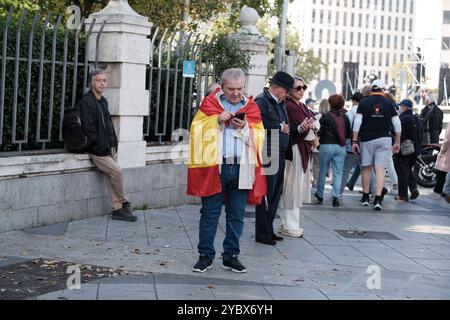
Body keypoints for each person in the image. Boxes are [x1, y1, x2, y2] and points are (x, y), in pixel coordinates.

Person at [187, 68, 266, 273]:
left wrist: (245, 128)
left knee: (237, 215)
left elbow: (261, 137)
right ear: (222, 86)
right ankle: (205, 255)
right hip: (216, 167)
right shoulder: (210, 104)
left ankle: (231, 256)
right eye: (231, 89)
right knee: (209, 213)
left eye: (240, 89)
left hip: (241, 167)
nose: (236, 93)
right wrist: (216, 121)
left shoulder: (251, 107)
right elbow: (195, 131)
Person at [79, 69, 137, 222]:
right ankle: (124, 201)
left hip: (108, 147)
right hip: (97, 150)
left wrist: (113, 144)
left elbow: (108, 125)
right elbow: (89, 128)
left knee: (111, 175)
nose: (102, 84)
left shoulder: (103, 101)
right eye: (99, 80)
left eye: (104, 81)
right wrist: (98, 146)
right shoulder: (86, 101)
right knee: (117, 172)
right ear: (92, 82)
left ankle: (117, 209)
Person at [254, 71, 295, 246]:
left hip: (278, 152)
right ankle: (262, 233)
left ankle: (268, 229)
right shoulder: (261, 101)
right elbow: (256, 125)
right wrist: (279, 127)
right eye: (286, 91)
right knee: (266, 194)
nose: (287, 94)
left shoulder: (280, 103)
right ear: (277, 87)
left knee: (275, 193)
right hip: (268, 152)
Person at [352, 80, 401, 211]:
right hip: (384, 138)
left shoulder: (363, 103)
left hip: (367, 138)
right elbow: (397, 124)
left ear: (371, 90)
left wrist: (354, 141)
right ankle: (378, 199)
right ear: (383, 89)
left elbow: (357, 123)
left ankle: (365, 197)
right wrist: (397, 141)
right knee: (380, 169)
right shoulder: (389, 104)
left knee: (366, 169)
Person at [279, 77, 315, 238]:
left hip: (301, 149)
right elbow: (302, 128)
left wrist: (311, 127)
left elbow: (311, 124)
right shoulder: (291, 105)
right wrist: (308, 128)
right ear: (289, 90)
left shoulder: (300, 105)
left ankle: (289, 224)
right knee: (292, 189)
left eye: (303, 87)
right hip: (295, 150)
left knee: (295, 188)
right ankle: (290, 225)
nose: (301, 90)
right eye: (297, 88)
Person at [315, 94, 351, 207]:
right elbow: (348, 134)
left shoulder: (325, 116)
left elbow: (319, 132)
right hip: (340, 147)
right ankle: (335, 196)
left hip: (326, 145)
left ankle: (320, 194)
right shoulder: (345, 117)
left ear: (330, 103)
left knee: (322, 170)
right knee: (338, 172)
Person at [393, 99, 422, 202]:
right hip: (415, 150)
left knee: (402, 172)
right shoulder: (417, 119)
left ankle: (402, 196)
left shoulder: (404, 119)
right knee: (407, 169)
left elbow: (400, 134)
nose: (400, 108)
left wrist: (396, 144)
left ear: (405, 107)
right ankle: (413, 188)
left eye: (401, 107)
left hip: (405, 149)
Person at [340, 92, 363, 196]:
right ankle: (377, 190)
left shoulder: (352, 111)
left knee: (345, 170)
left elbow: (346, 126)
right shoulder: (366, 110)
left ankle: (338, 193)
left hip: (351, 143)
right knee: (367, 169)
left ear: (354, 101)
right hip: (364, 142)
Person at [311, 99, 329, 187]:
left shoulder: (316, 117)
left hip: (316, 143)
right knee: (324, 165)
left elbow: (313, 130)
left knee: (315, 164)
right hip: (326, 144)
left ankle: (315, 180)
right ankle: (321, 182)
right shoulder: (331, 118)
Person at [433, 125, 450, 199]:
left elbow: (448, 139)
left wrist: (443, 149)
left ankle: (440, 190)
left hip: (448, 152)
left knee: (443, 171)